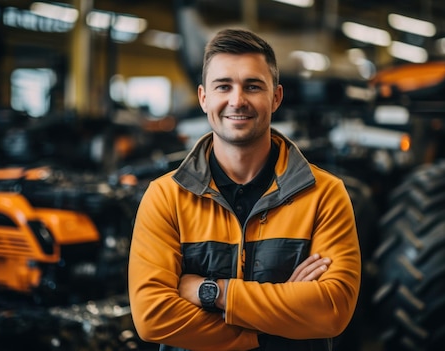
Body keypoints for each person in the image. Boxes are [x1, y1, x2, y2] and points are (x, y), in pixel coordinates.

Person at [128, 28, 361, 351]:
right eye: (224, 86)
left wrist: (212, 292)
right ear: (203, 97)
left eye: (253, 86)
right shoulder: (166, 196)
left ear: (276, 97)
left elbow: (331, 310)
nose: (237, 101)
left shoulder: (325, 195)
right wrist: (269, 328)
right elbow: (153, 316)